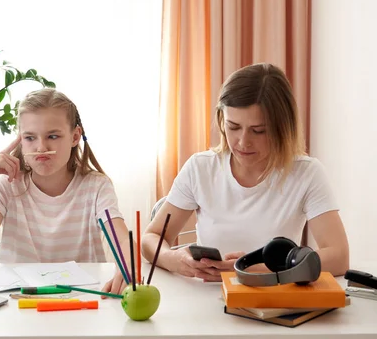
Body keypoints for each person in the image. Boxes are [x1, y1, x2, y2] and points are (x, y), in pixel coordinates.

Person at [142, 63, 349, 282]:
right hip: (208, 300)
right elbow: (151, 238)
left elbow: (339, 257)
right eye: (233, 127)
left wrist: (250, 271)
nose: (243, 142)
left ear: (282, 128)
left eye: (258, 131)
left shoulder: (306, 173)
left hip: (272, 300)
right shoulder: (201, 168)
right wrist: (172, 258)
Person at [0, 88, 129, 295]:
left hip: (81, 302)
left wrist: (129, 268)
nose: (41, 147)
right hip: (17, 302)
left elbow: (121, 239)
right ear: (20, 139)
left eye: (53, 136)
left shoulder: (96, 187)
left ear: (75, 137)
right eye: (30, 138)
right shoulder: (6, 186)